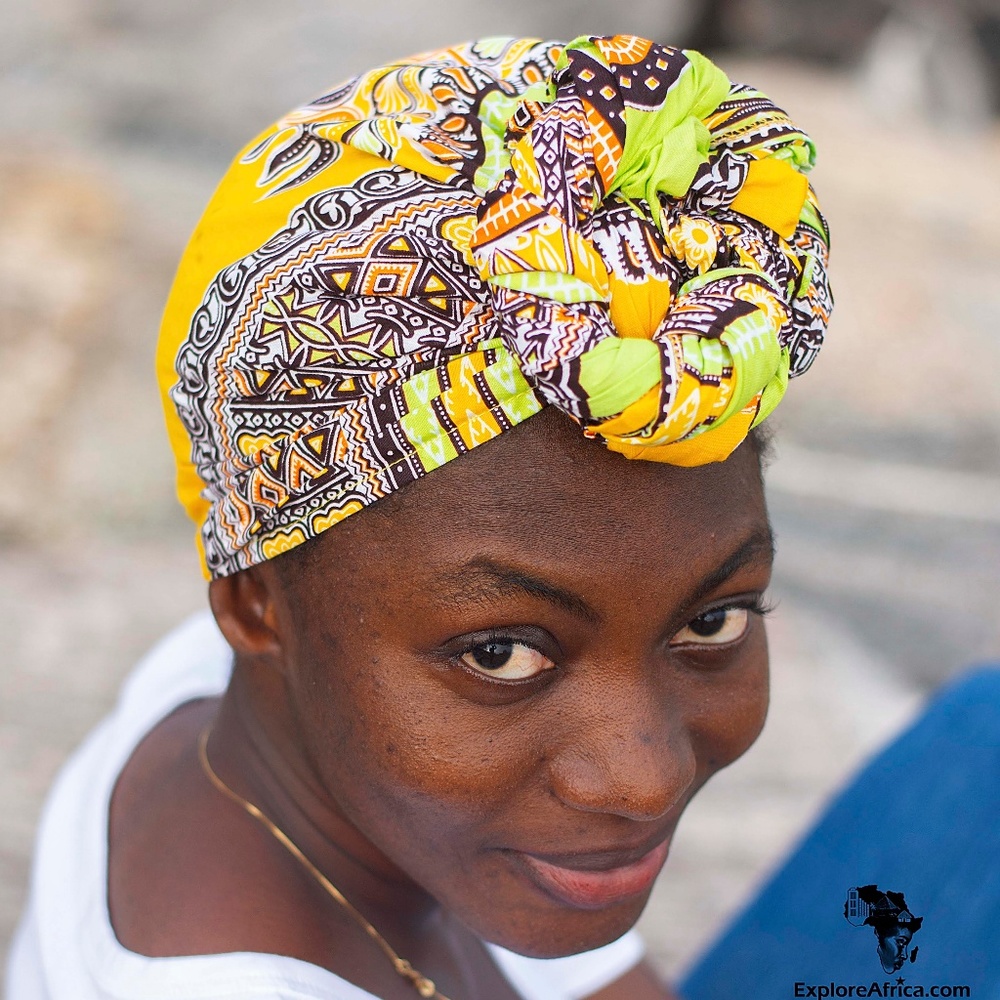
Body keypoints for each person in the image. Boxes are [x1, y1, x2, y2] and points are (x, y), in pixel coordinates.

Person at [5, 33, 831, 1000]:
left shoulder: (263, 719)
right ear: (257, 602)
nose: (642, 780)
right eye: (499, 655)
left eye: (712, 621)